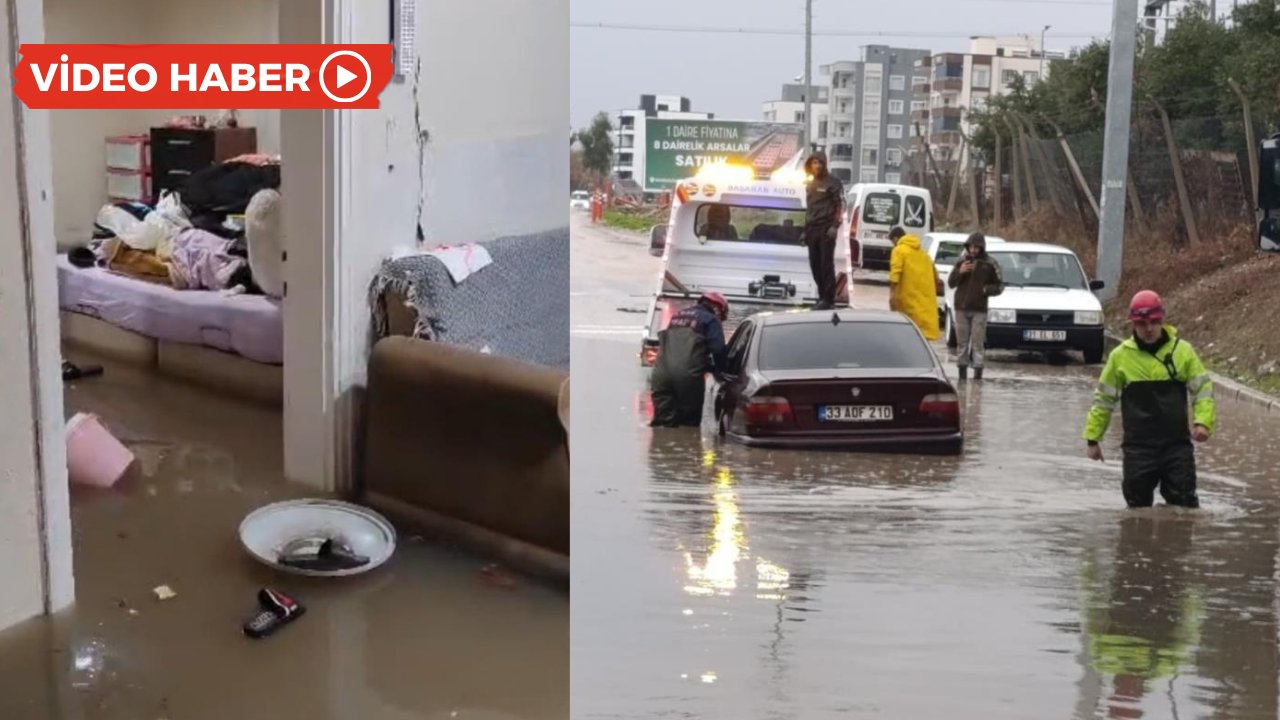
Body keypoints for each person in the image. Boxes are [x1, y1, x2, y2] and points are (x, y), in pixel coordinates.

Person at [1083, 290, 1216, 509]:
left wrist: (1203, 422)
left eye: (1153, 322)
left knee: (1184, 506)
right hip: (1138, 449)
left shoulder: (1182, 352)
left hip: (1177, 448)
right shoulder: (1120, 357)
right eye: (1142, 323)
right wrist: (1093, 439)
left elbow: (1202, 389)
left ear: (1162, 320)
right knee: (1136, 510)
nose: (1148, 329)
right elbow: (1103, 401)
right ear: (1132, 324)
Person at [650, 292, 730, 428]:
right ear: (717, 308)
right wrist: (721, 371)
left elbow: (678, 349)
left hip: (660, 375)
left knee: (663, 425)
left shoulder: (677, 316)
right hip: (687, 378)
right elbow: (718, 350)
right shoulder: (710, 319)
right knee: (688, 427)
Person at [946, 232, 1004, 380]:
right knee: (962, 344)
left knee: (978, 345)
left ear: (982, 247)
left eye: (976, 247)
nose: (973, 250)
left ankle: (978, 378)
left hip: (979, 310)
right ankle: (962, 378)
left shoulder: (990, 263)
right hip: (961, 308)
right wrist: (960, 272)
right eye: (971, 247)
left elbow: (1000, 286)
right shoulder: (961, 261)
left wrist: (985, 290)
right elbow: (951, 283)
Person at [801, 149, 844, 310]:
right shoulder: (810, 184)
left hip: (827, 229)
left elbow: (841, 205)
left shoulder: (833, 182)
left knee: (826, 264)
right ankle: (821, 296)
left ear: (824, 164)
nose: (816, 166)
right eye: (814, 163)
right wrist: (805, 231)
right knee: (814, 264)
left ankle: (828, 298)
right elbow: (809, 210)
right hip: (812, 229)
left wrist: (835, 226)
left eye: (819, 163)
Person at [887, 226, 940, 341]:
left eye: (892, 242)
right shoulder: (924, 254)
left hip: (907, 304)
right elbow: (936, 277)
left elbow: (895, 276)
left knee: (905, 337)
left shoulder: (899, 250)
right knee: (921, 339)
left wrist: (892, 296)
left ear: (896, 239)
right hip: (924, 307)